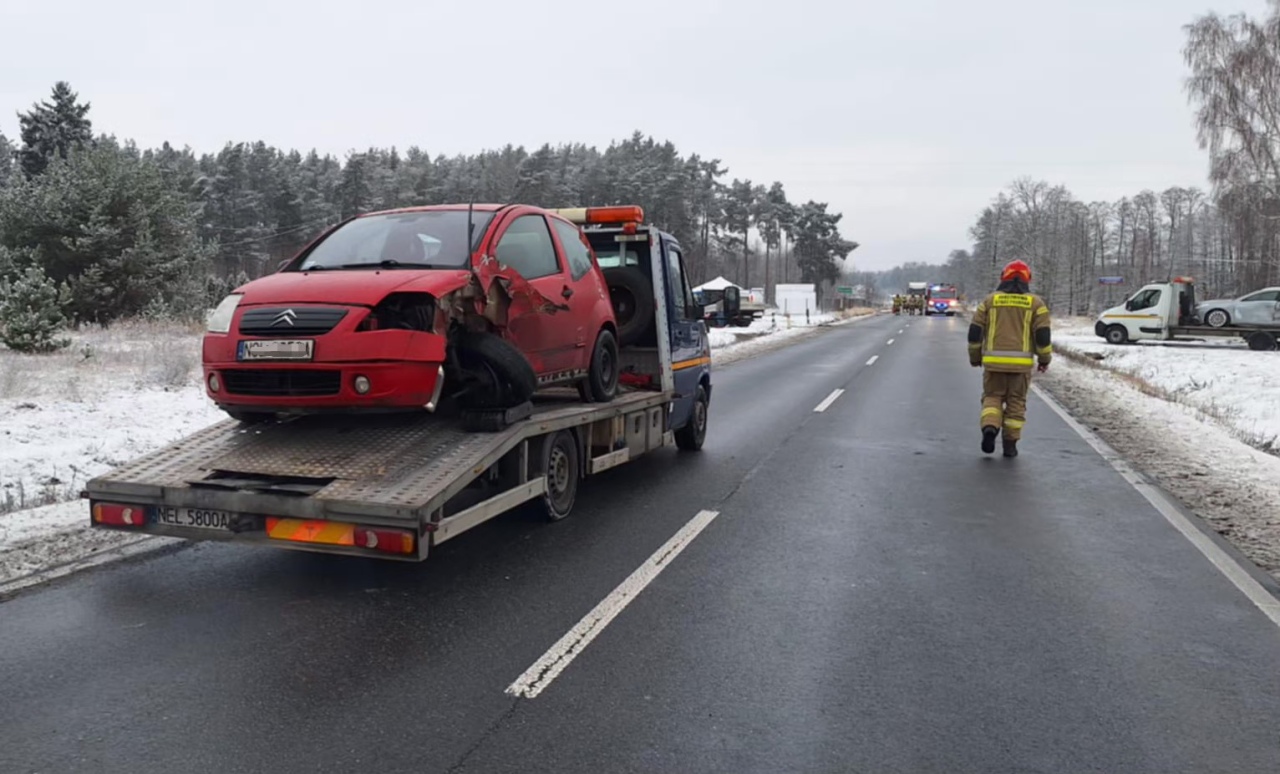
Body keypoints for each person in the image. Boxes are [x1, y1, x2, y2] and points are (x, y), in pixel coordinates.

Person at [967, 260, 1052, 457]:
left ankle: (990, 427)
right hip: (1020, 368)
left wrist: (974, 357)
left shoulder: (989, 301)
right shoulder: (1036, 304)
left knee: (992, 398)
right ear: (1027, 279)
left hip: (993, 364)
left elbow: (975, 333)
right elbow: (1043, 336)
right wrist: (1044, 359)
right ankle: (1010, 445)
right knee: (1016, 403)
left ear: (1003, 277)